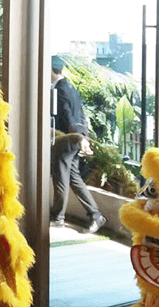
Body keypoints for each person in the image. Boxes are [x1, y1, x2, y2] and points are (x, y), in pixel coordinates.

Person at [50, 55, 106, 233]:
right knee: (74, 178)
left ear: (50, 70)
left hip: (66, 140)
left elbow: (67, 115)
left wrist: (77, 138)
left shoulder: (59, 90)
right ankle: (96, 214)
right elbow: (81, 115)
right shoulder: (71, 88)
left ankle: (58, 218)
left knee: (60, 178)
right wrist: (84, 137)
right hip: (76, 139)